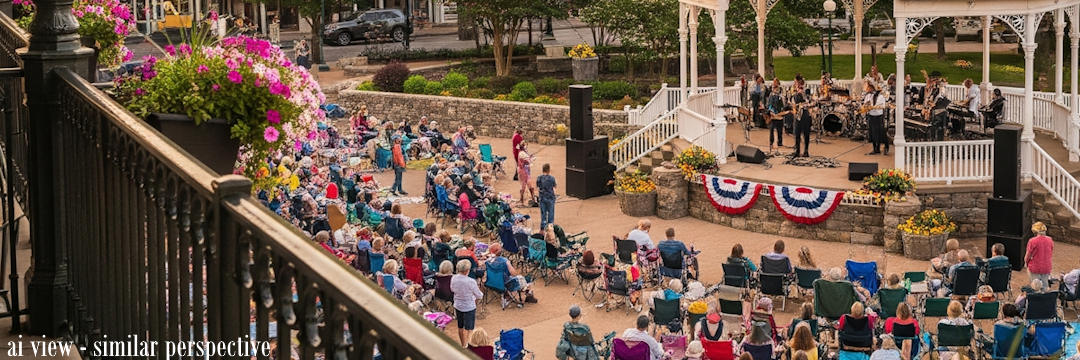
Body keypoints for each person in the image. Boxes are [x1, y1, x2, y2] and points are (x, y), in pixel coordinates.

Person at [451, 259, 483, 346]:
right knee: (469, 328)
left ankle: (463, 344)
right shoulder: (470, 281)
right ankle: (467, 345)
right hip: (468, 306)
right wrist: (475, 302)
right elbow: (479, 295)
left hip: (458, 305)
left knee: (460, 326)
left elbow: (452, 289)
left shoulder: (453, 278)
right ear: (467, 271)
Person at [864, 81, 889, 155]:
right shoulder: (868, 95)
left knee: (880, 132)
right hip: (871, 115)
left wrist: (872, 107)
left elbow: (880, 105)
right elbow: (865, 103)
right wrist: (866, 107)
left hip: (878, 116)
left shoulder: (880, 96)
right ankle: (875, 148)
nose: (868, 88)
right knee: (873, 132)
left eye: (870, 87)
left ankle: (886, 145)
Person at [791, 87, 812, 158]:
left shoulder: (806, 95)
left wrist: (805, 103)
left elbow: (810, 103)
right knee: (797, 133)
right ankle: (797, 150)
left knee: (806, 133)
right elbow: (793, 104)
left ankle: (806, 150)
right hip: (798, 116)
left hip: (805, 116)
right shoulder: (794, 96)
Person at [766, 83, 786, 152]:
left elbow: (783, 105)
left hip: (779, 114)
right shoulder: (771, 96)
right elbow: (769, 105)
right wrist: (771, 111)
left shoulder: (780, 96)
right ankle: (771, 142)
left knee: (779, 129)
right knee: (771, 129)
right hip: (773, 114)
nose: (775, 90)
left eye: (776, 88)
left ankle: (780, 142)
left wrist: (783, 101)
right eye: (774, 88)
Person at [537, 163, 557, 230]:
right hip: (550, 198)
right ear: (548, 170)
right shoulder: (552, 179)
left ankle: (543, 226)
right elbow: (554, 186)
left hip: (542, 197)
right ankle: (550, 227)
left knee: (543, 213)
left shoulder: (539, 178)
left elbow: (538, 186)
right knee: (551, 213)